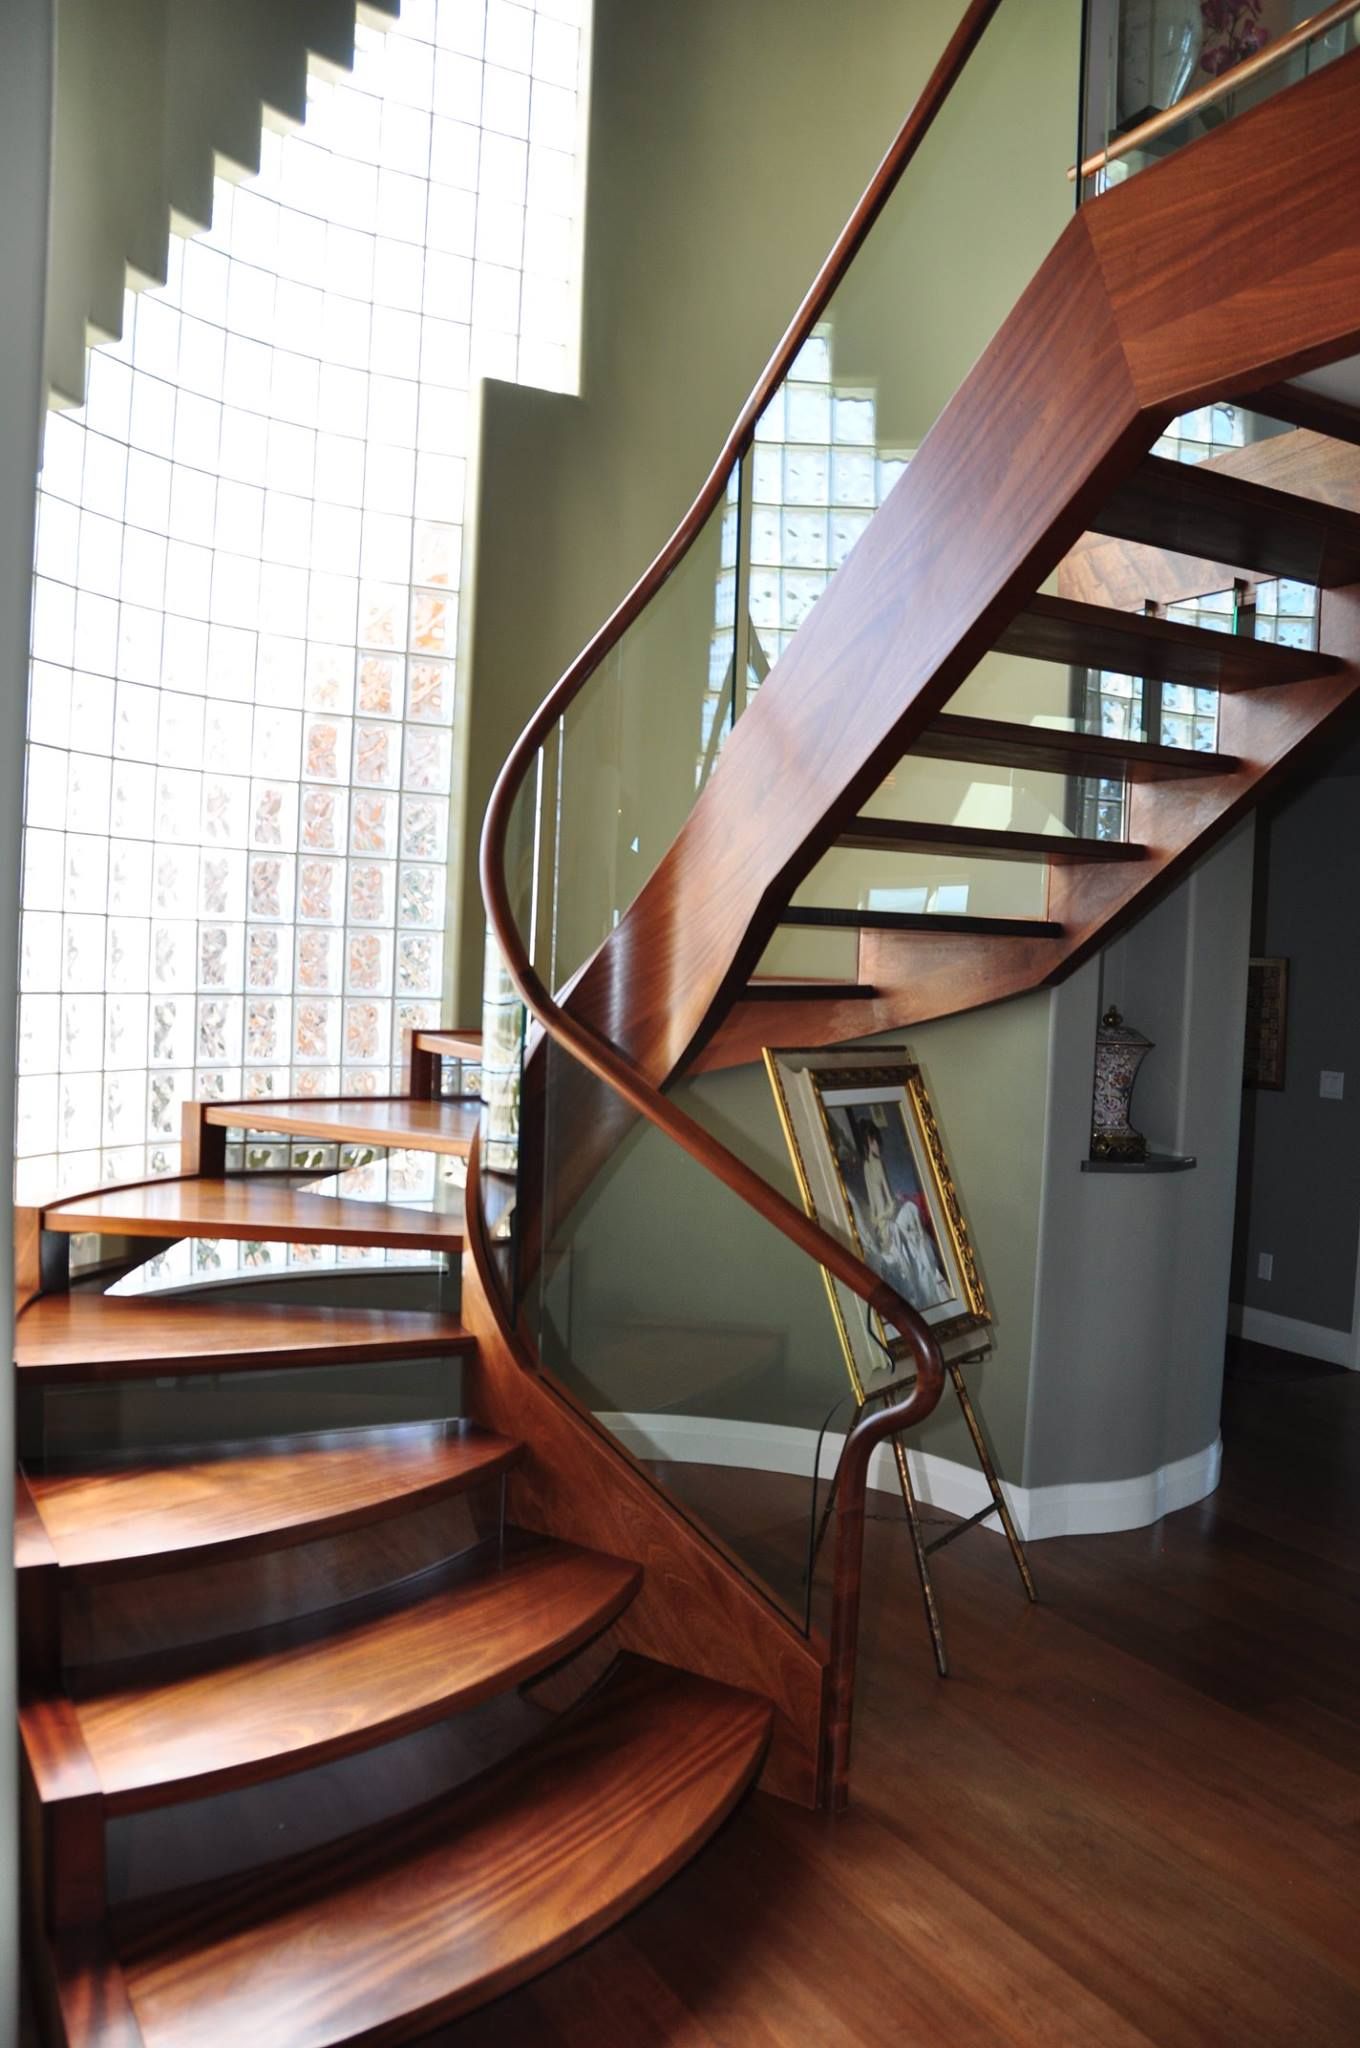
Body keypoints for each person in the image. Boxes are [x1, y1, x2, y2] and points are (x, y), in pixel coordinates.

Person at [852, 1115, 951, 1311]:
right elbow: (887, 1205)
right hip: (887, 1223)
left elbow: (877, 1206)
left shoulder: (867, 1166)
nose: (878, 1146)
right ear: (869, 1142)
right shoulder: (875, 1164)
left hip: (882, 1224)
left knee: (910, 1213)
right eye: (875, 1142)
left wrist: (879, 1220)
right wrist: (893, 1207)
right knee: (911, 1214)